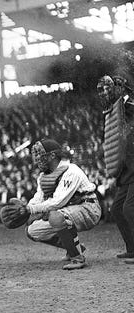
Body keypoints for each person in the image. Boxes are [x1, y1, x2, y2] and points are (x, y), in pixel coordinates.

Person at [25, 139, 102, 270]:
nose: (37, 158)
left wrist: (31, 209)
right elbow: (38, 198)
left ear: (52, 155)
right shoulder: (44, 176)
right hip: (67, 210)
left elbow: (57, 202)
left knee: (56, 216)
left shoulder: (71, 170)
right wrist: (24, 208)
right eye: (36, 154)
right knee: (32, 231)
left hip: (88, 208)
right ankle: (74, 247)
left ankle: (77, 258)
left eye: (40, 154)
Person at [97, 75, 134, 263]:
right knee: (117, 209)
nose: (105, 93)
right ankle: (131, 249)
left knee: (129, 208)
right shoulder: (114, 111)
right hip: (126, 171)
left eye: (108, 88)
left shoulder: (129, 106)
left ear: (121, 88)